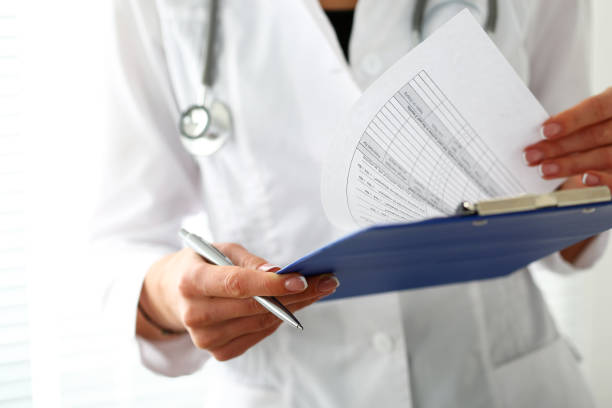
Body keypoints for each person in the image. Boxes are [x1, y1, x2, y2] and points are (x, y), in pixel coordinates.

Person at [92, 0, 612, 406]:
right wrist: (174, 295)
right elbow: (119, 241)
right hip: (292, 389)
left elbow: (568, 192)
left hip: (504, 386)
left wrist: (596, 186)